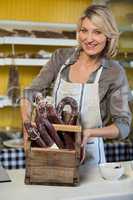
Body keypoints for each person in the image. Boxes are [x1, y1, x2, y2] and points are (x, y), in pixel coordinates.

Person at [21, 4, 132, 165]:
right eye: (84, 30)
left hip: (91, 153)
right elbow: (30, 93)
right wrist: (27, 124)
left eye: (97, 32)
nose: (88, 39)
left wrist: (88, 133)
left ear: (109, 36)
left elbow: (123, 126)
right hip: (52, 147)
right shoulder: (60, 58)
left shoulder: (114, 72)